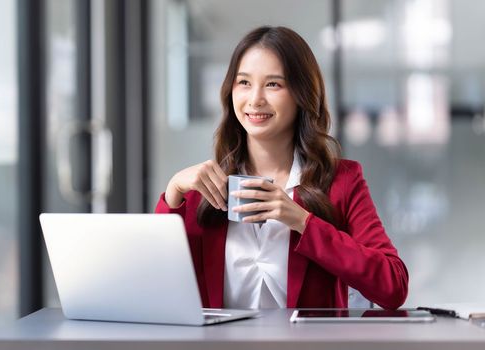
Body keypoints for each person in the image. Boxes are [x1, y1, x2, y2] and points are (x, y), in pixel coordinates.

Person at [154, 26, 408, 310]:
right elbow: (155, 287)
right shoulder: (203, 189)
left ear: (301, 95)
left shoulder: (341, 181)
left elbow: (393, 287)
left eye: (273, 84)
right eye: (244, 83)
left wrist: (302, 221)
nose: (255, 99)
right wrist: (174, 192)